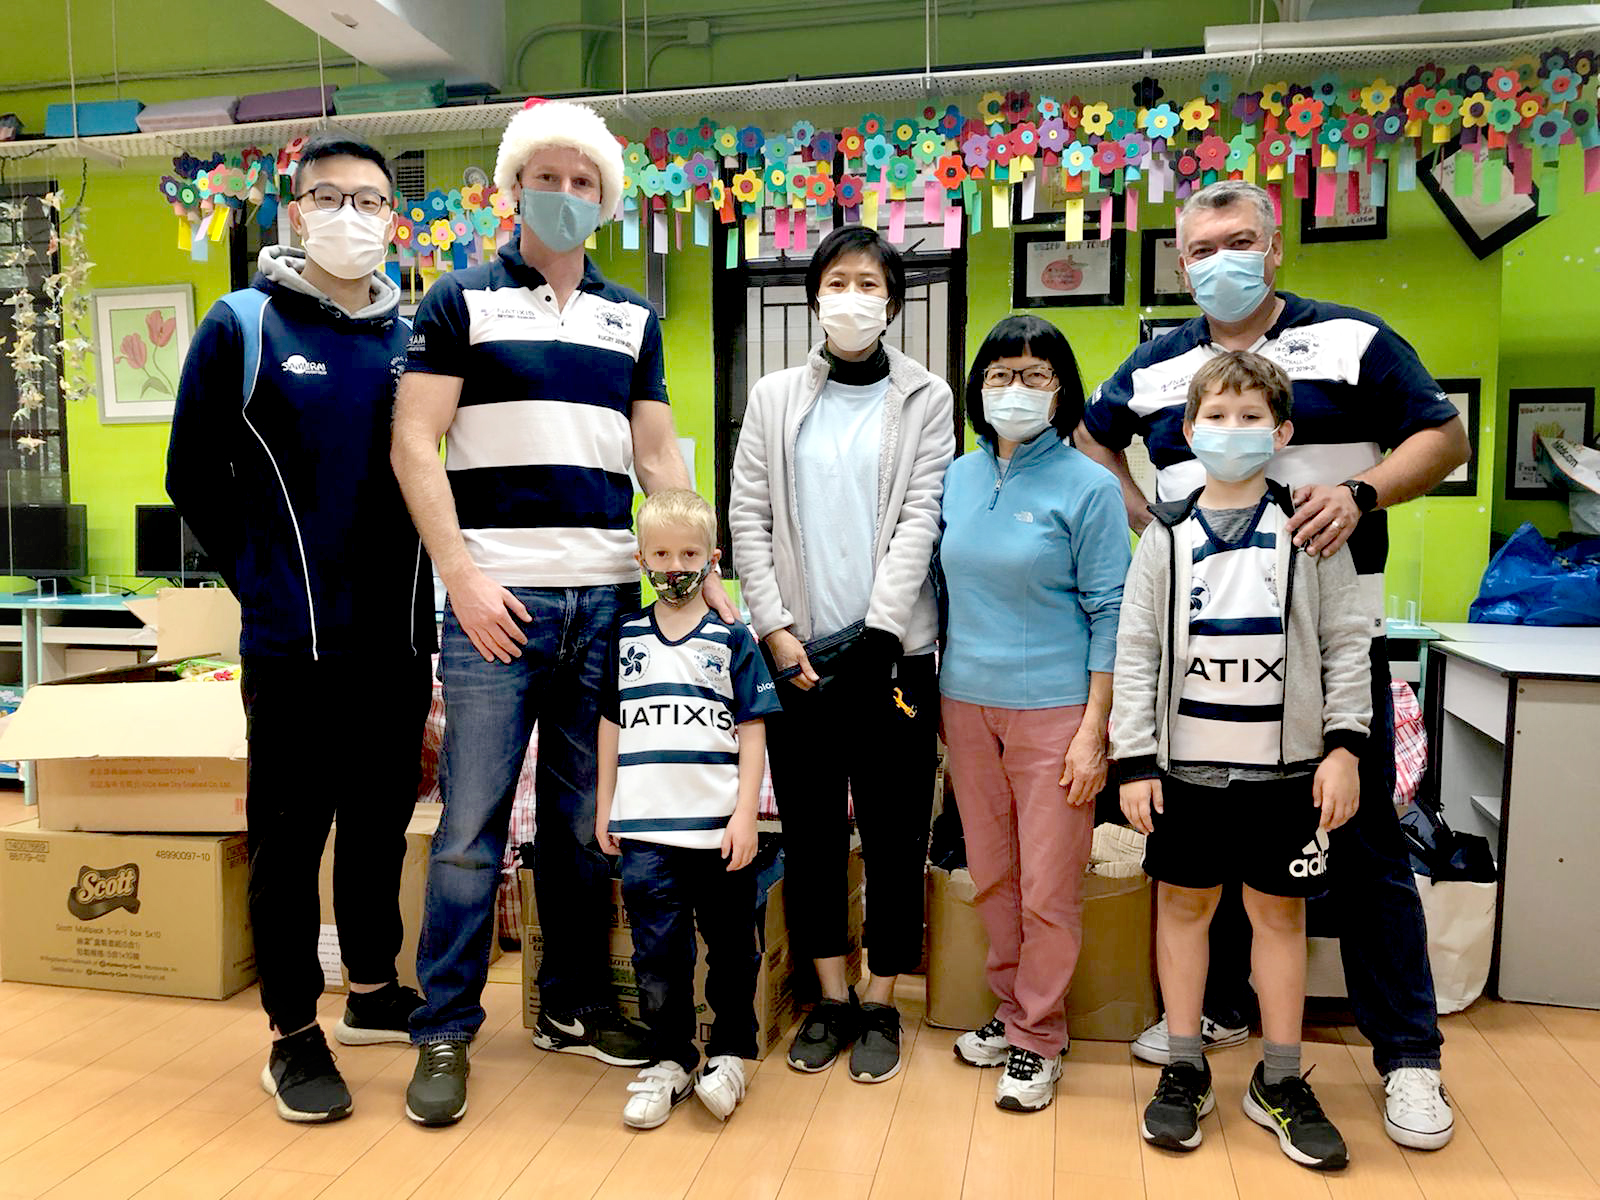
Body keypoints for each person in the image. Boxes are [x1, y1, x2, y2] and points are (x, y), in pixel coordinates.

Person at [1077, 178, 1469, 1151]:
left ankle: (1407, 1056)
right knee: (1204, 850)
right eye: (1201, 248)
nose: (1222, 260)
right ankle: (1209, 1020)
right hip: (1200, 659)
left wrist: (1363, 494)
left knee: (1363, 848)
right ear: (1181, 263)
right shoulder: (1156, 366)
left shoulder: (1351, 340)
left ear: (1275, 245)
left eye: (1239, 240)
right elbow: (1090, 441)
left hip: (1326, 648)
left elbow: (1444, 437)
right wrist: (1148, 520)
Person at [392, 100, 728, 1127]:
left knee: (589, 826)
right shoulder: (458, 300)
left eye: (585, 182)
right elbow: (413, 442)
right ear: (513, 188)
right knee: (471, 827)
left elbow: (657, 454)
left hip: (610, 599)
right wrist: (460, 575)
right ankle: (445, 1026)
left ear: (608, 200)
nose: (566, 195)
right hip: (496, 602)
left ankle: (571, 1006)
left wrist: (703, 574)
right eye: (547, 176)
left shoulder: (632, 319)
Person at [167, 134, 435, 1124]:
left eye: (370, 200)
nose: (350, 215)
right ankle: (291, 1032)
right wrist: (261, 583)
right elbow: (192, 475)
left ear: (391, 218)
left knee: (379, 823)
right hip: (294, 646)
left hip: (399, 639)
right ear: (294, 212)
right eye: (329, 196)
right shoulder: (242, 325)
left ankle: (371, 988)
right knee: (289, 839)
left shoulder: (416, 335)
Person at [1114, 351, 1370, 1168]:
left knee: (1280, 919)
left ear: (1281, 432)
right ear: (1189, 431)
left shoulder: (1311, 527)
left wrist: (1344, 747)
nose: (1233, 430)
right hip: (1183, 773)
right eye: (1216, 417)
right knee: (1183, 912)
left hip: (1286, 775)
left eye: (1251, 416)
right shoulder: (1166, 533)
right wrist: (1134, 760)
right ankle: (1184, 1064)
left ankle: (1280, 1078)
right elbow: (1135, 650)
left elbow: (1346, 642)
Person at [729, 224, 955, 1083]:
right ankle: (829, 996)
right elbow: (748, 518)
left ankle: (883, 998)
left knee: (896, 836)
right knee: (814, 834)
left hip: (893, 662)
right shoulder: (775, 396)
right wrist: (775, 629)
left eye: (870, 284)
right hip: (798, 661)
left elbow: (920, 518)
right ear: (814, 296)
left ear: (892, 304)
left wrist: (882, 635)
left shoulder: (926, 397)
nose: (852, 297)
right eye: (837, 281)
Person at [938, 315, 1128, 1113]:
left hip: (1055, 711)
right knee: (992, 878)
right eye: (1001, 373)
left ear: (1062, 389)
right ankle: (1014, 1007)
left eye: (1035, 374)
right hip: (964, 705)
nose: (1015, 388)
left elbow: (1112, 612)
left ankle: (1040, 1036)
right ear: (979, 387)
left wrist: (1094, 731)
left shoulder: (1090, 486)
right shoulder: (956, 477)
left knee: (1049, 886)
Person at [594, 489, 783, 1130]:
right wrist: (605, 806)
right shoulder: (625, 636)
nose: (674, 566)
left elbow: (753, 728)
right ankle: (670, 1057)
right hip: (646, 834)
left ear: (712, 559)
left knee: (732, 950)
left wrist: (745, 815)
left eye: (688, 554)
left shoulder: (733, 638)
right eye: (661, 554)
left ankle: (729, 1054)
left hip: (720, 833)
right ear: (641, 558)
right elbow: (611, 724)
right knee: (657, 955)